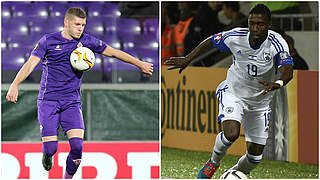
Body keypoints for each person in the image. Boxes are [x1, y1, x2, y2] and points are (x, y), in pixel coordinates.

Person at [6, 7, 153, 179]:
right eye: (77, 24)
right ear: (66, 22)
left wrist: (139, 64)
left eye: (83, 25)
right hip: (48, 101)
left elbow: (113, 52)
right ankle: (47, 154)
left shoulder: (87, 41)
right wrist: (15, 84)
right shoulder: (48, 41)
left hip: (72, 102)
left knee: (77, 147)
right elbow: (30, 64)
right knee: (52, 148)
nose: (80, 28)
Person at [165, 4, 293, 178]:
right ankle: (213, 163)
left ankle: (233, 174)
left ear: (269, 25)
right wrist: (188, 58)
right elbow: (211, 40)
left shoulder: (277, 43)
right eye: (252, 23)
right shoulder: (236, 36)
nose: (255, 28)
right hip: (234, 93)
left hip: (260, 104)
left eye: (260, 24)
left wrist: (278, 82)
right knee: (231, 133)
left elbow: (287, 69)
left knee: (255, 157)